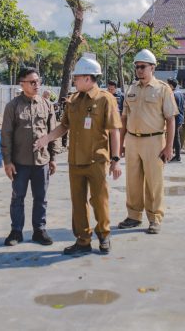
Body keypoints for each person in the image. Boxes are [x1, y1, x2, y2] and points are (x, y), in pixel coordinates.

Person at [35, 53, 122, 255]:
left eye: (76, 77)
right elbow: (64, 126)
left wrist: (116, 160)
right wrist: (46, 139)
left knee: (100, 201)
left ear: (88, 78)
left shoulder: (105, 99)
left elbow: (115, 130)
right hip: (75, 161)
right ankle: (83, 240)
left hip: (97, 160)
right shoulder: (73, 101)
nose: (74, 80)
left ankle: (104, 235)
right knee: (78, 203)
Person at [118, 49, 178, 235]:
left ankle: (154, 218)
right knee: (133, 181)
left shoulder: (163, 89)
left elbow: (171, 119)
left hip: (153, 140)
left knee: (154, 182)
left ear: (152, 68)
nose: (139, 70)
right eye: (137, 67)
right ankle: (134, 216)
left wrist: (168, 147)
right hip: (132, 140)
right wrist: (120, 144)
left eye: (143, 67)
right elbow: (124, 119)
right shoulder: (131, 89)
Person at [2, 68, 59, 247]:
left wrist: (53, 158)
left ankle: (39, 230)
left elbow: (53, 132)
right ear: (22, 83)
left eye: (38, 81)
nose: (36, 85)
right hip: (20, 162)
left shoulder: (46, 104)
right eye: (32, 82)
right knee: (17, 197)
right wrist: (7, 162)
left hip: (41, 161)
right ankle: (16, 231)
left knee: (41, 197)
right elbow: (6, 135)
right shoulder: (13, 106)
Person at [167, 78, 185, 163]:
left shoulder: (173, 94)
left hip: (175, 118)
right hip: (181, 117)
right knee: (175, 136)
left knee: (175, 137)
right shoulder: (181, 93)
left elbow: (172, 108)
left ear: (171, 85)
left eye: (167, 84)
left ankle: (177, 156)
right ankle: (174, 154)